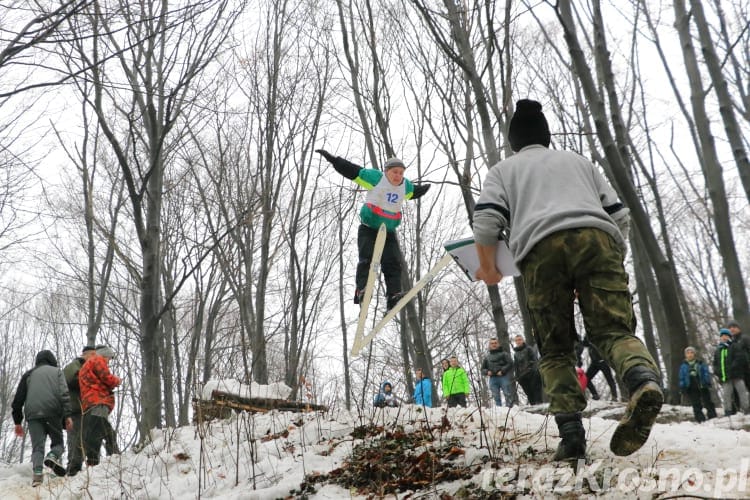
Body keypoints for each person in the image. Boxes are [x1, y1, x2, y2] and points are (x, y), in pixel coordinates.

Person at [472, 99, 663, 461]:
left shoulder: (504, 170)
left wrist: (489, 268)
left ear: (514, 141)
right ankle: (643, 381)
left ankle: (572, 439)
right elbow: (619, 216)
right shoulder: (580, 162)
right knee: (614, 331)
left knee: (555, 349)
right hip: (599, 239)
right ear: (546, 135)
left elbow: (485, 223)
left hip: (541, 249)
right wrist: (605, 263)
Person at [315, 149, 431, 310]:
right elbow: (353, 171)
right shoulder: (376, 178)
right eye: (394, 172)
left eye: (401, 173)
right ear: (386, 171)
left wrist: (423, 189)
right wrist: (334, 160)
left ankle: (393, 294)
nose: (398, 176)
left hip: (388, 232)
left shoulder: (405, 186)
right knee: (367, 259)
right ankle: (362, 289)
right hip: (368, 228)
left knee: (393, 262)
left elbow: (414, 192)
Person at [11, 350, 74, 486]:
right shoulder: (57, 372)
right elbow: (64, 394)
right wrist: (68, 415)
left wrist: (17, 421)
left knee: (37, 448)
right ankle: (52, 456)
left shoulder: (28, 374)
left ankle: (37, 477)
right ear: (52, 360)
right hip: (52, 412)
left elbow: (18, 399)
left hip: (33, 415)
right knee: (58, 444)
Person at [79, 344, 121, 466]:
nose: (108, 362)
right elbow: (106, 376)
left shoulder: (86, 365)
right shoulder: (98, 359)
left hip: (89, 403)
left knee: (95, 432)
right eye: (109, 358)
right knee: (106, 430)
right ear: (104, 354)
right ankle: (114, 456)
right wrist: (117, 381)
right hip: (98, 401)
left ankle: (93, 461)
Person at [62, 344, 97, 476]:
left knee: (86, 439)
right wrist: (88, 380)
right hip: (75, 409)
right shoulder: (74, 365)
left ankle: (84, 467)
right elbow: (68, 379)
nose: (94, 358)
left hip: (86, 409)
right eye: (92, 355)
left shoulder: (89, 369)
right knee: (75, 439)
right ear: (85, 354)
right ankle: (72, 469)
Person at [678, 347, 717, 422]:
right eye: (688, 353)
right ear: (685, 355)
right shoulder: (683, 366)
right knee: (696, 403)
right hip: (691, 386)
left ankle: (712, 415)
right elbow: (681, 377)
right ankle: (700, 418)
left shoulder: (700, 363)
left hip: (701, 384)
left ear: (694, 354)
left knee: (707, 401)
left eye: (691, 353)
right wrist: (682, 386)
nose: (690, 355)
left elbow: (705, 372)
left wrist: (707, 381)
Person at [714, 328, 746, 416]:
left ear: (729, 337)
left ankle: (747, 410)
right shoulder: (718, 350)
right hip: (725, 377)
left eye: (726, 336)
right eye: (722, 336)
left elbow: (739, 359)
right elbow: (715, 364)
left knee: (742, 393)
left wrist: (732, 368)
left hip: (737, 375)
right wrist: (718, 372)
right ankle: (728, 412)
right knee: (726, 396)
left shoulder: (734, 346)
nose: (724, 337)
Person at [481, 338, 515, 407]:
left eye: (495, 343)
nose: (494, 345)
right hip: (493, 379)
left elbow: (510, 363)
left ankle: (510, 410)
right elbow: (482, 369)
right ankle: (499, 411)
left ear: (498, 344)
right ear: (489, 345)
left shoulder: (504, 354)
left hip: (503, 377)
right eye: (492, 343)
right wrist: (487, 372)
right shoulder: (487, 357)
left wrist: (502, 371)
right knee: (496, 396)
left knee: (507, 394)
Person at [725, 321, 750, 414]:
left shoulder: (744, 338)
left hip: (747, 369)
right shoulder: (729, 342)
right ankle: (738, 412)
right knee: (736, 392)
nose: (732, 329)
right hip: (737, 371)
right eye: (730, 327)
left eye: (734, 326)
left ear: (738, 328)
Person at [513, 335, 544, 404]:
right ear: (515, 342)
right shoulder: (515, 354)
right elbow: (516, 366)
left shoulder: (529, 349)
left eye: (520, 339)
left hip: (533, 374)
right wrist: (517, 377)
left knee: (537, 392)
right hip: (523, 377)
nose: (518, 341)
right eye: (517, 340)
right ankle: (533, 409)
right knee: (529, 394)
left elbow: (534, 360)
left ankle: (540, 408)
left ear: (523, 340)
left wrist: (531, 369)